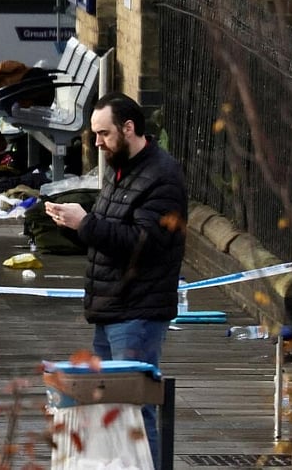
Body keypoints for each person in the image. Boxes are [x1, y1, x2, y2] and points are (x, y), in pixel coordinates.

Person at [44, 92, 187, 470]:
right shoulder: (122, 168)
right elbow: (110, 232)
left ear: (129, 128)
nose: (96, 143)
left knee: (135, 409)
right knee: (109, 407)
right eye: (94, 134)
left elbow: (145, 244)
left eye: (103, 133)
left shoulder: (162, 176)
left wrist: (86, 223)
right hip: (110, 309)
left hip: (137, 312)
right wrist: (73, 225)